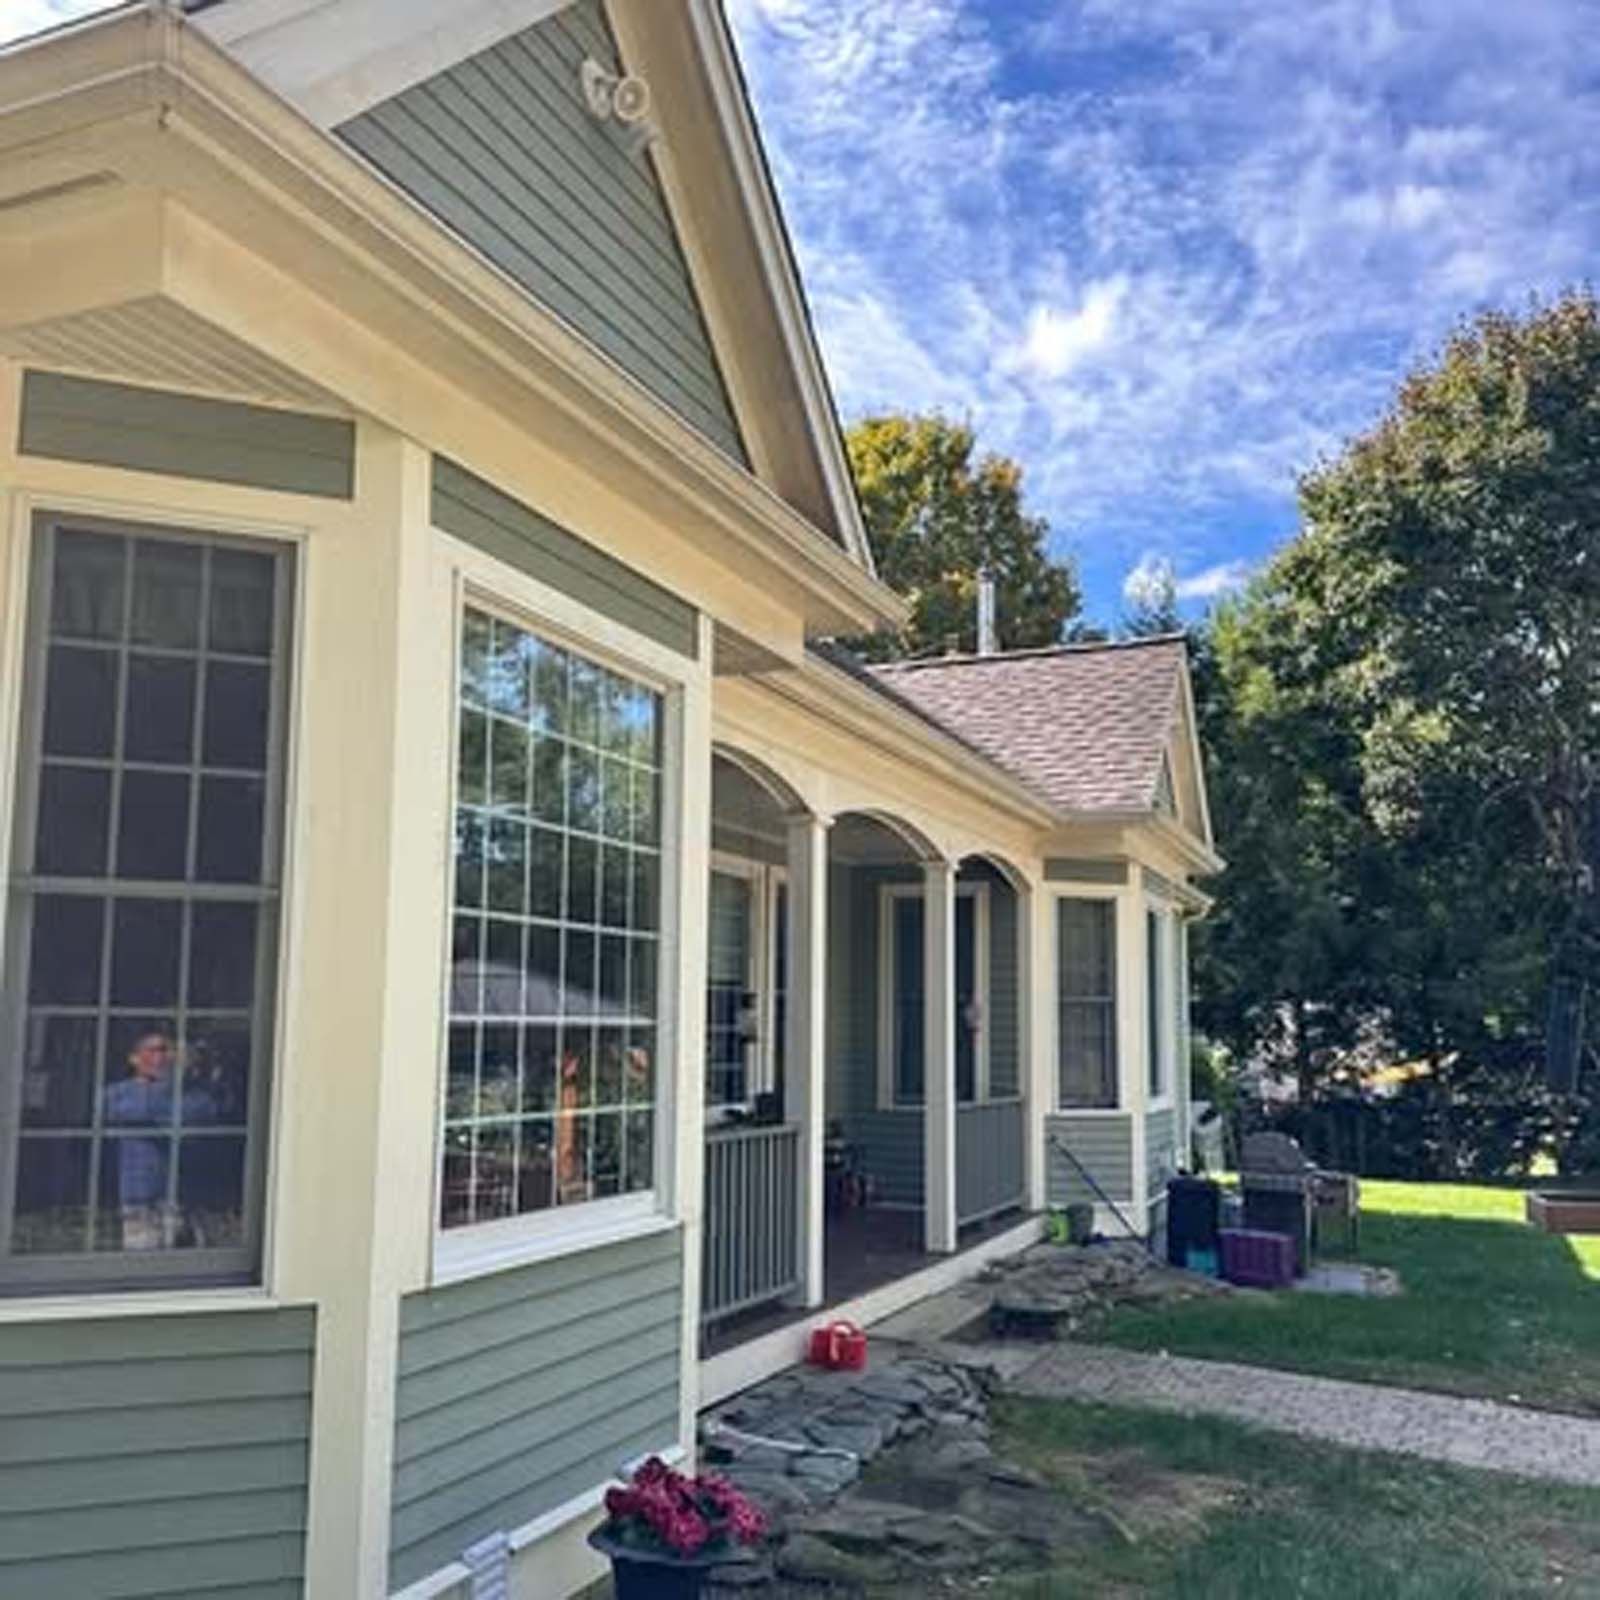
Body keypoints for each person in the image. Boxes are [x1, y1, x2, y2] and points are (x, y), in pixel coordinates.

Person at [102, 1030, 214, 1250]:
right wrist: (168, 1093)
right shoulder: (117, 1093)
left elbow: (201, 1111)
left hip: (186, 1196)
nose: (162, 1057)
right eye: (153, 1051)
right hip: (140, 1198)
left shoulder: (192, 1093)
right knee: (144, 1261)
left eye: (166, 1051)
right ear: (134, 1058)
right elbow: (130, 1111)